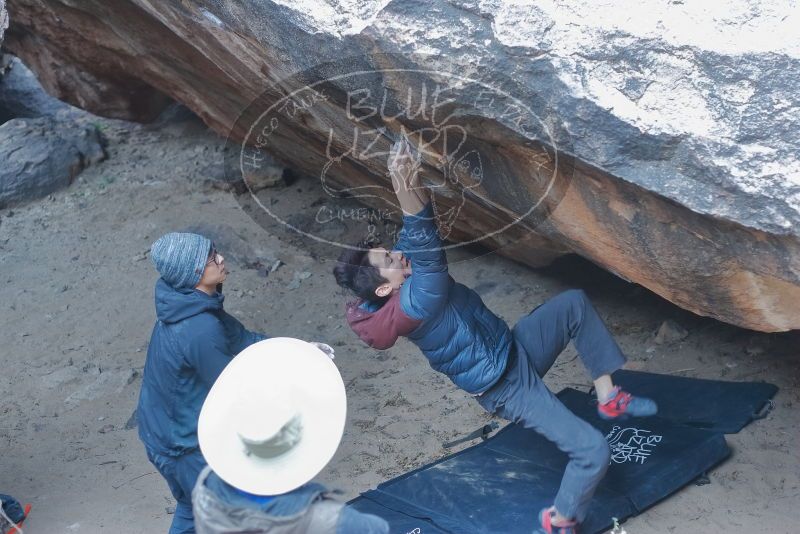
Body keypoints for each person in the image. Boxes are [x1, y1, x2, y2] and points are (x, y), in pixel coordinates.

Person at [333, 137, 657, 534]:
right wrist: (400, 182)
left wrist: (409, 176)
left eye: (390, 251)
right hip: (506, 387)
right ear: (385, 289)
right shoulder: (418, 303)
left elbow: (418, 230)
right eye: (389, 260)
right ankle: (561, 520)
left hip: (512, 350)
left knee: (572, 304)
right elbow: (424, 240)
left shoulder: (405, 277)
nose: (397, 255)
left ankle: (608, 396)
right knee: (593, 451)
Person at [137, 232, 268, 534]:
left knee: (193, 508)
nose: (221, 259)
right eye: (212, 258)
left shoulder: (188, 304)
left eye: (216, 251)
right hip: (182, 448)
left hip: (162, 435)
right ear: (194, 273)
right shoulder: (198, 328)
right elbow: (233, 388)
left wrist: (299, 351)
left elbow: (244, 340)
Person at [191, 337, 389, 534]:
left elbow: (258, 397)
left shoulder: (207, 487)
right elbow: (377, 529)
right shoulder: (330, 521)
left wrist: (298, 367)